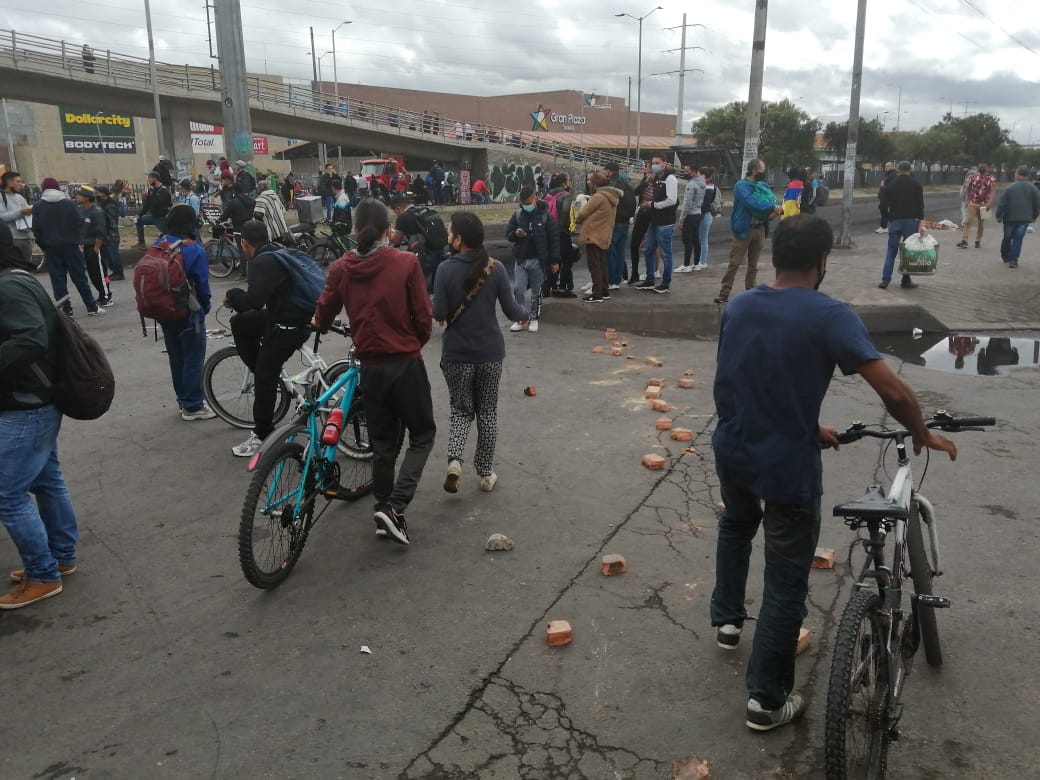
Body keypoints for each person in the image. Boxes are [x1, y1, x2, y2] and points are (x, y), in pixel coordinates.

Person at [710, 213, 958, 732]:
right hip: (785, 466)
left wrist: (809, 422)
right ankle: (766, 701)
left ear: (776, 256)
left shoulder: (741, 305)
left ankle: (728, 622)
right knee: (784, 579)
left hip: (733, 448)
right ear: (822, 262)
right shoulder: (829, 314)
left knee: (736, 527)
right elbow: (893, 390)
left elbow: (745, 379)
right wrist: (920, 431)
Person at [312, 200, 436, 546]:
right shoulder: (406, 263)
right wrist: (412, 342)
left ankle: (384, 508)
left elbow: (324, 311)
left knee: (382, 443)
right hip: (405, 362)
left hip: (371, 367)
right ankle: (395, 507)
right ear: (387, 229)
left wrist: (319, 322)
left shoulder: (341, 268)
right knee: (422, 434)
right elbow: (423, 317)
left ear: (353, 229)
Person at [0, 233, 82, 609]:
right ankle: (60, 556)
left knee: (8, 494)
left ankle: (43, 574)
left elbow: (31, 338)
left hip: (25, 404)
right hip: (37, 400)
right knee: (46, 481)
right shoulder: (18, 278)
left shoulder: (9, 287)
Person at [432, 212, 528, 494]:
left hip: (456, 356)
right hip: (489, 354)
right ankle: (486, 473)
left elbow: (438, 313)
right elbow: (512, 310)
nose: (449, 236)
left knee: (461, 411)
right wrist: (526, 314)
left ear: (459, 239)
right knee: (487, 413)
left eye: (451, 232)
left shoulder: (444, 269)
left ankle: (454, 462)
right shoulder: (495, 268)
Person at [223, 221, 313, 456]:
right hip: (294, 316)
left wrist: (232, 295)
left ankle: (263, 435)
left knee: (264, 374)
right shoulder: (276, 251)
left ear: (244, 242)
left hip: (289, 325)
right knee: (240, 324)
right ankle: (266, 372)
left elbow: (252, 301)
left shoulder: (261, 262)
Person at [152, 204, 215, 420]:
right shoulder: (194, 249)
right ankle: (193, 405)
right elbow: (202, 285)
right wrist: (204, 309)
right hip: (189, 312)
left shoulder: (158, 244)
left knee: (176, 356)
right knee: (193, 357)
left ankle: (183, 400)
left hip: (163, 310)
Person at [713, 158, 781, 304]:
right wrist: (772, 208)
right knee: (735, 263)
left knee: (754, 265)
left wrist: (775, 208)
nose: (764, 174)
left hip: (760, 229)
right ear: (754, 171)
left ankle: (751, 291)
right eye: (762, 171)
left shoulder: (762, 185)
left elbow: (775, 201)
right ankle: (724, 293)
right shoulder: (741, 186)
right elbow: (753, 203)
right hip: (744, 230)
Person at [32, 177, 102, 317]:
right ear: (58, 188)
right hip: (71, 245)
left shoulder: (38, 206)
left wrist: (44, 246)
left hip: (51, 247)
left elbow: (36, 229)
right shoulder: (69, 204)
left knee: (57, 279)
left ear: (44, 189)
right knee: (79, 277)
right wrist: (78, 241)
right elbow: (79, 223)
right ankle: (91, 306)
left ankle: (66, 310)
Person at [506, 186, 559, 333]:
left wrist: (555, 260)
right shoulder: (517, 216)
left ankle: (534, 318)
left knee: (536, 291)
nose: (526, 205)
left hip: (538, 260)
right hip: (521, 260)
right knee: (519, 289)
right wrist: (515, 234)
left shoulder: (546, 216)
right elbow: (508, 234)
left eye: (529, 202)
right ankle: (521, 318)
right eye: (524, 203)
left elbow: (554, 239)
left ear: (535, 198)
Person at [633, 155, 679, 293]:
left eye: (657, 163)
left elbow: (671, 200)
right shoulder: (657, 179)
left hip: (665, 222)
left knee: (666, 254)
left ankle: (665, 283)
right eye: (653, 163)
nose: (654, 165)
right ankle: (649, 280)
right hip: (654, 221)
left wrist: (653, 204)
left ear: (665, 164)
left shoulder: (670, 179)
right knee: (648, 250)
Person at [878, 160, 925, 290]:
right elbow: (920, 206)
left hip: (895, 221)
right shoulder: (916, 184)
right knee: (908, 251)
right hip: (911, 222)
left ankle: (885, 279)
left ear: (898, 170)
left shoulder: (891, 184)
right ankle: (906, 280)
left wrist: (888, 217)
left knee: (891, 250)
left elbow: (882, 203)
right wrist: (921, 222)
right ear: (910, 170)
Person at [575, 172, 621, 302]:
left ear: (595, 184)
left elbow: (583, 212)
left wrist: (577, 219)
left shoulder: (598, 197)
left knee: (594, 265)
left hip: (593, 234)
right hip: (604, 233)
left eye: (590, 181)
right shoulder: (611, 196)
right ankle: (604, 291)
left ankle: (597, 294)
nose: (588, 183)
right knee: (602, 263)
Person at [74, 186, 112, 307]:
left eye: (80, 195)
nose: (77, 197)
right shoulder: (80, 210)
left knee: (101, 273)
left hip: (96, 246)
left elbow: (101, 232)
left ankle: (106, 295)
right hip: (85, 246)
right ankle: (102, 294)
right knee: (93, 274)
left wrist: (96, 248)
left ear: (87, 198)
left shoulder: (97, 212)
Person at [995, 165, 1040, 269]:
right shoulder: (1033, 188)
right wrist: (1034, 216)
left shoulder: (1010, 187)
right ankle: (1013, 260)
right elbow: (1037, 205)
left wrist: (998, 215)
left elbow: (1002, 203)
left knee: (1007, 237)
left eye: (1016, 173)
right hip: (1024, 219)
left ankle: (1005, 256)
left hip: (1009, 218)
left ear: (1019, 174)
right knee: (1018, 239)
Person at [604, 162, 636, 286]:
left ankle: (611, 280)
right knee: (620, 251)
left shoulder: (612, 184)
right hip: (626, 221)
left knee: (609, 250)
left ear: (610, 171)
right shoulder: (626, 184)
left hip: (616, 221)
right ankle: (618, 279)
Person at [545, 173, 576, 297]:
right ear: (564, 183)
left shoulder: (547, 194)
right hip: (561, 232)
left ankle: (552, 286)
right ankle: (562, 288)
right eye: (568, 181)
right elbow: (564, 212)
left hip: (548, 231)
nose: (569, 183)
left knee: (552, 259)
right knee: (566, 260)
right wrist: (561, 229)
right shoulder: (565, 195)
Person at [1, 170, 36, 269]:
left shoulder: (20, 197)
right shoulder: (1, 197)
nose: (21, 184)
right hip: (11, 239)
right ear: (9, 183)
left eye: (21, 181)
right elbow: (2, 217)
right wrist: (21, 212)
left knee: (26, 269)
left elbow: (28, 216)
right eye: (18, 181)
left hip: (26, 238)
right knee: (14, 269)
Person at [958, 162, 997, 249]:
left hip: (984, 204)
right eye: (980, 167)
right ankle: (964, 240)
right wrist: (967, 199)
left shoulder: (991, 179)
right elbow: (968, 188)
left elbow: (993, 191)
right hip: (973, 202)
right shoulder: (973, 177)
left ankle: (978, 240)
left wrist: (990, 202)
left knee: (981, 223)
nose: (981, 168)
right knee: (968, 220)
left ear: (987, 168)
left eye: (983, 167)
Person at [628, 163, 656, 285]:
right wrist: (645, 181)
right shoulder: (645, 179)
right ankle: (635, 273)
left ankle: (653, 272)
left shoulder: (662, 180)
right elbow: (636, 192)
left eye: (648, 167)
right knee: (634, 243)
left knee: (652, 245)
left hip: (654, 213)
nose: (646, 170)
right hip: (642, 213)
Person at [677, 164, 705, 273]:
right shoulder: (703, 183)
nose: (685, 173)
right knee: (696, 239)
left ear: (694, 171)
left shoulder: (692, 184)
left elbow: (687, 204)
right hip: (698, 213)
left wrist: (681, 220)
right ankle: (696, 263)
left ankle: (686, 265)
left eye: (687, 170)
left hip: (690, 215)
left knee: (687, 240)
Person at [132, 170, 172, 248]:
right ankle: (141, 241)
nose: (148, 180)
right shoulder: (151, 190)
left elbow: (157, 204)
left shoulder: (164, 190)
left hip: (162, 218)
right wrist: (140, 215)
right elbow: (147, 205)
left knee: (168, 235)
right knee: (138, 221)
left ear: (155, 179)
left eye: (149, 178)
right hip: (153, 216)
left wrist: (148, 196)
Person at [94, 185, 125, 281]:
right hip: (104, 233)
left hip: (111, 233)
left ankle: (119, 273)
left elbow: (111, 219)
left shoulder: (110, 204)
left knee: (113, 254)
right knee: (107, 254)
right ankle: (114, 272)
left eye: (98, 192)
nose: (96, 194)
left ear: (103, 194)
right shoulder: (100, 202)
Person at [698, 166, 718, 270]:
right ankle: (700, 260)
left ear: (703, 175)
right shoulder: (706, 185)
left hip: (705, 215)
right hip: (704, 214)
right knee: (700, 238)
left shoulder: (709, 187)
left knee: (703, 238)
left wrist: (699, 215)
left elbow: (706, 203)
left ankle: (703, 261)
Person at [874, 161, 896, 233]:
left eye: (888, 166)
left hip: (888, 197)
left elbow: (890, 187)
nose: (886, 167)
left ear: (893, 167)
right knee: (883, 210)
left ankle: (884, 227)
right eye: (886, 166)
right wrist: (880, 194)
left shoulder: (893, 175)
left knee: (884, 210)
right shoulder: (887, 175)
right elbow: (883, 186)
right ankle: (884, 226)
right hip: (884, 196)